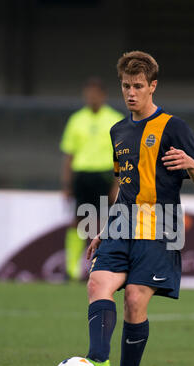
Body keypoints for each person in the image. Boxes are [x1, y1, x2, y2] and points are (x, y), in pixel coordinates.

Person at [85, 51, 194, 366]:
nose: (131, 92)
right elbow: (124, 185)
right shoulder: (118, 130)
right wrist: (105, 226)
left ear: (152, 86)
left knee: (134, 300)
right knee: (97, 283)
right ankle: (98, 359)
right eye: (126, 85)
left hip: (159, 228)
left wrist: (190, 164)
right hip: (122, 223)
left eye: (138, 86)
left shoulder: (174, 127)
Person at [60, 77, 124, 281]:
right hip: (83, 176)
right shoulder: (76, 119)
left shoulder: (115, 119)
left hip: (105, 176)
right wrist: (67, 184)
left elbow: (121, 155)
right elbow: (69, 154)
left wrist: (117, 183)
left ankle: (105, 267)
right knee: (78, 222)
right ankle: (72, 270)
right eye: (88, 93)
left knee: (106, 223)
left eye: (95, 93)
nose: (91, 97)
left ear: (103, 95)